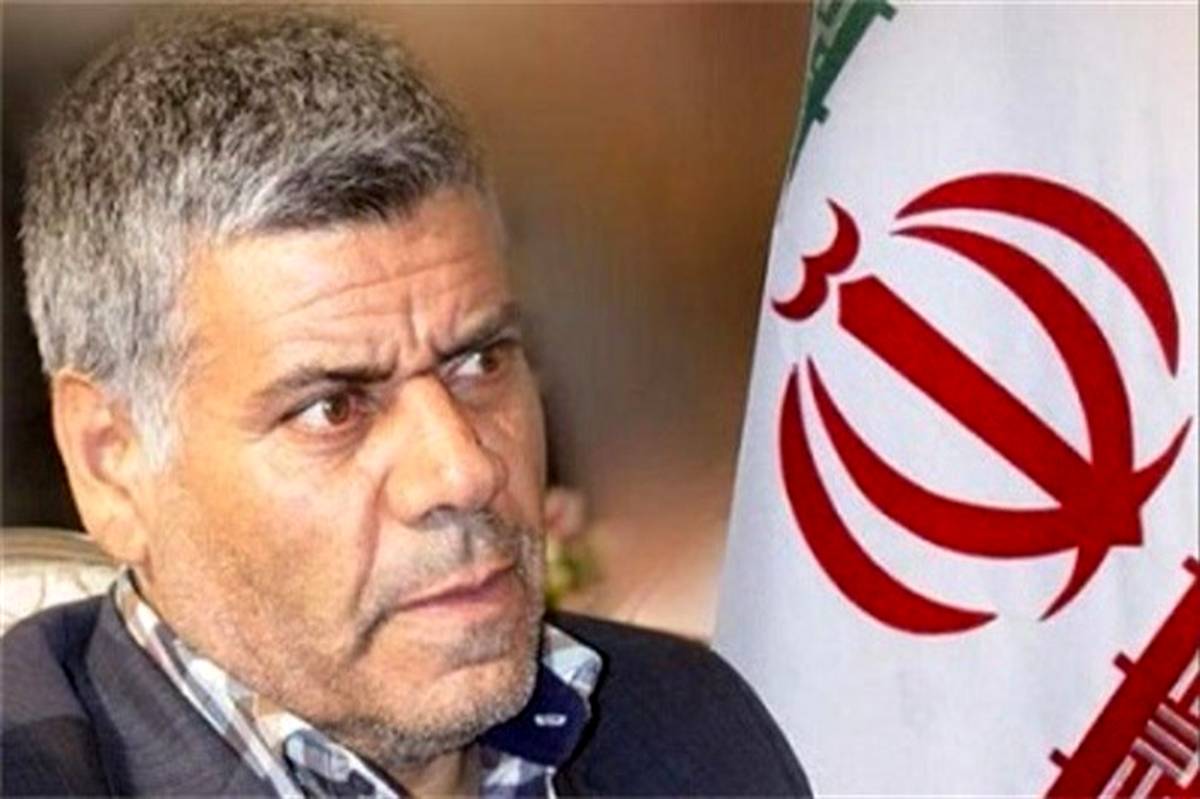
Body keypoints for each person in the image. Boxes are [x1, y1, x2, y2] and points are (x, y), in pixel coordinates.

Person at [0, 11, 810, 798]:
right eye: (333, 408)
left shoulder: (689, 728)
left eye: (480, 361)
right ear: (111, 463)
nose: (462, 470)